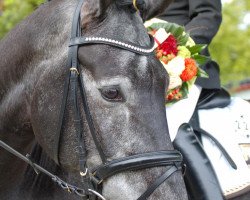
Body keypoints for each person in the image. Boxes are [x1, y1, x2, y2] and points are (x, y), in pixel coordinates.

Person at [156, 1, 225, 199]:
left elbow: (208, 14)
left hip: (182, 69)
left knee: (171, 123)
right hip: (140, 72)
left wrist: (178, 51)